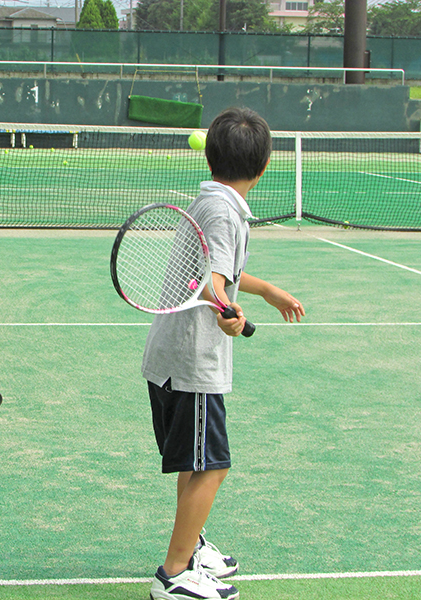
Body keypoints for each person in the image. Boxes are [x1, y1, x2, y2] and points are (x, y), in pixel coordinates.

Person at [142, 107, 305, 600]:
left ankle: (190, 548)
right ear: (264, 166)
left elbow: (220, 270)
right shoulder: (221, 211)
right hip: (191, 364)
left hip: (175, 358)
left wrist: (264, 291)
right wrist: (223, 311)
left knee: (196, 463)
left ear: (212, 158)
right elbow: (213, 282)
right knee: (213, 465)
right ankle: (174, 575)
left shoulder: (214, 201)